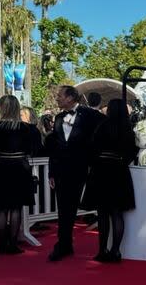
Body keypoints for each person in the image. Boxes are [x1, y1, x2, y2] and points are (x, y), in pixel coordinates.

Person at [47, 85, 104, 261]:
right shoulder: (58, 118)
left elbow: (103, 132)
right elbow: (55, 147)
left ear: (71, 97)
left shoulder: (90, 115)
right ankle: (64, 244)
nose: (57, 98)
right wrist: (51, 172)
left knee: (86, 206)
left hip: (82, 167)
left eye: (60, 96)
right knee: (64, 208)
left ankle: (105, 246)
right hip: (61, 169)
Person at [81, 99, 137, 262]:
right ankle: (116, 251)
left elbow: (91, 148)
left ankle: (102, 250)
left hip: (101, 170)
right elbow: (131, 151)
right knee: (117, 213)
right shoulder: (127, 129)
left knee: (103, 213)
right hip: (119, 171)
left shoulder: (102, 126)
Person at [0, 95, 41, 254]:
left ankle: (2, 245)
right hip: (19, 168)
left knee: (2, 208)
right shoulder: (26, 128)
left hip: (2, 166)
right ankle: (12, 244)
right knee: (16, 207)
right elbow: (33, 149)